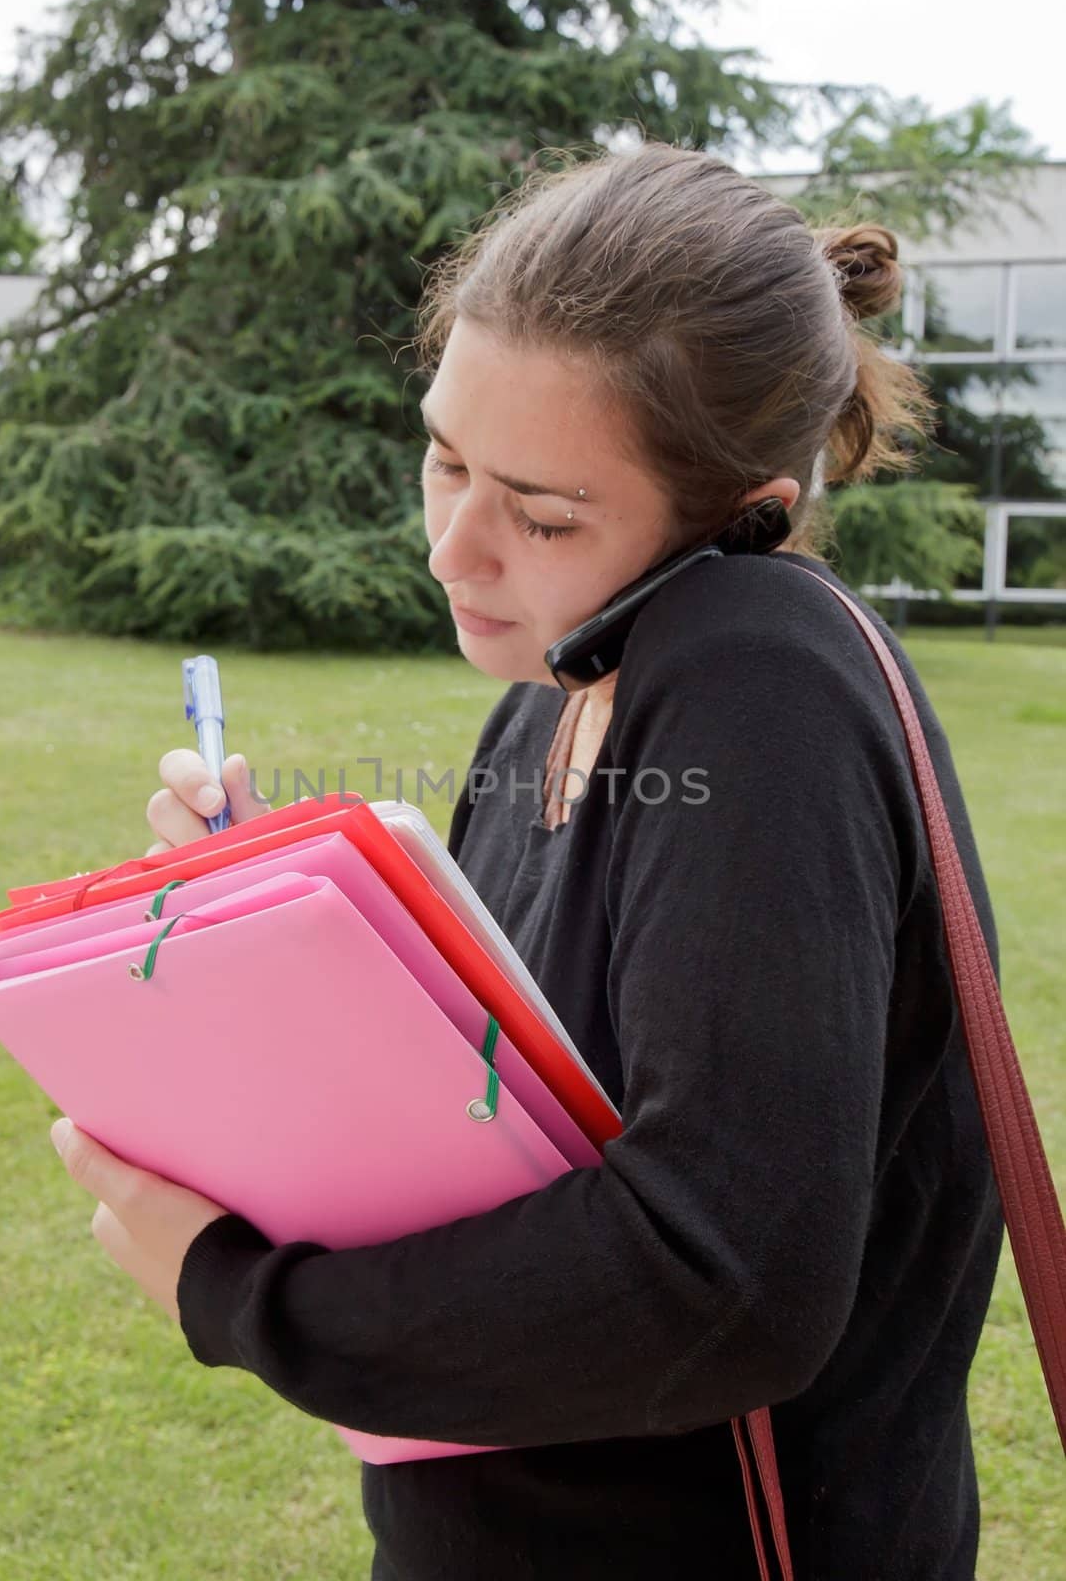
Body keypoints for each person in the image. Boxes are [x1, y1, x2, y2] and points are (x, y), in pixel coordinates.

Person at [141, 143, 1005, 1578]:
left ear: (750, 513)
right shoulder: (546, 700)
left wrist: (238, 1300)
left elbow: (723, 1283)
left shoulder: (757, 675)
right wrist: (257, 934)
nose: (454, 551)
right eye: (446, 458)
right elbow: (501, 1122)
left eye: (542, 514)